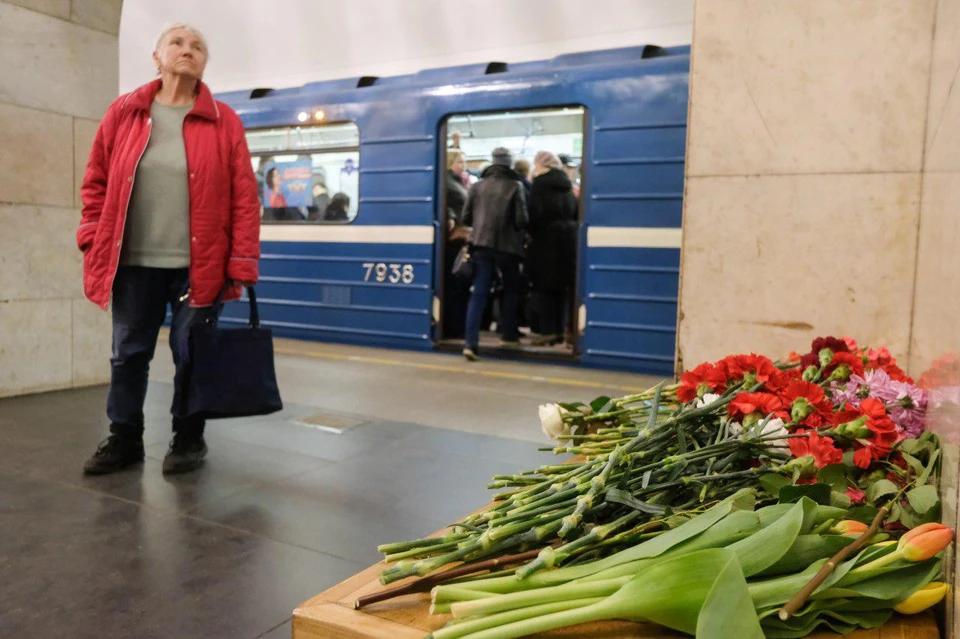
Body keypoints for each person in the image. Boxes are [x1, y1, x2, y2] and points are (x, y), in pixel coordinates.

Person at [77, 23, 261, 475]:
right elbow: (96, 181)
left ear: (204, 63)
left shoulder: (225, 121)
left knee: (192, 355)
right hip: (132, 262)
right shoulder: (124, 113)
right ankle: (124, 438)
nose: (188, 50)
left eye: (198, 46)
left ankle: (188, 438)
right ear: (156, 58)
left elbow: (244, 197)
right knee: (128, 353)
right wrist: (90, 234)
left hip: (199, 268)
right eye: (177, 43)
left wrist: (242, 261)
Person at [461, 148, 528, 360]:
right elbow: (522, 220)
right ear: (509, 164)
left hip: (481, 245)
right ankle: (508, 336)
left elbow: (466, 217)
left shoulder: (477, 186)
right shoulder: (515, 186)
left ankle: (470, 343)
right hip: (508, 249)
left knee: (479, 293)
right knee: (510, 291)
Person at [527, 151, 578, 346]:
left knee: (545, 286)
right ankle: (561, 330)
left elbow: (534, 213)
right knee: (562, 288)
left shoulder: (540, 184)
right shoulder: (567, 185)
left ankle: (548, 331)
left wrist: (530, 232)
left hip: (546, 240)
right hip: (568, 240)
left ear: (542, 165)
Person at [443, 151, 471, 338]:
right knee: (453, 284)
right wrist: (450, 216)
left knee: (460, 284)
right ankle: (451, 326)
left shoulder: (458, 181)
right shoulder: (445, 181)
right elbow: (443, 203)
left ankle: (458, 325)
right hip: (453, 239)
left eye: (465, 161)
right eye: (460, 161)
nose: (464, 164)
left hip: (462, 238)